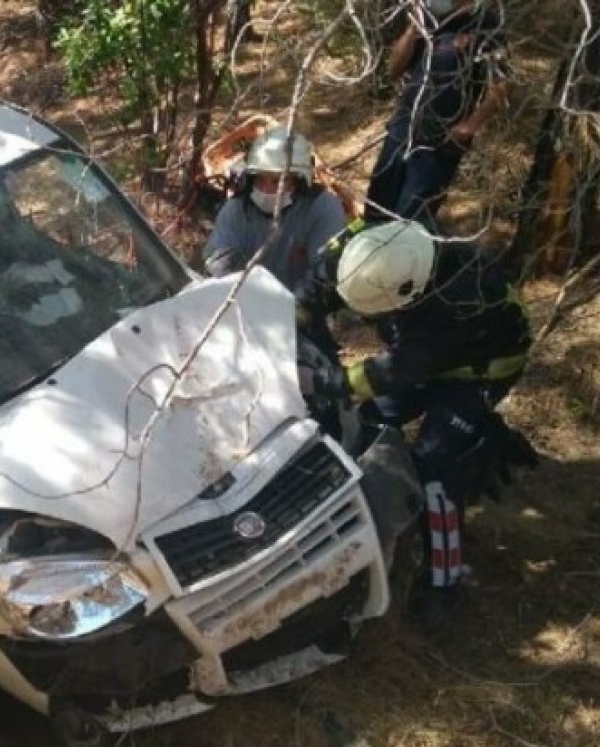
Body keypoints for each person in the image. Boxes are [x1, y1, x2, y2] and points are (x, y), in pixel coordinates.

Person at [300, 219, 535, 633]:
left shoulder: (464, 299)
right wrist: (294, 318)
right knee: (366, 427)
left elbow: (394, 371)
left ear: (407, 295)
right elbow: (317, 283)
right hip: (418, 354)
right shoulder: (369, 243)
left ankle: (443, 582)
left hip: (478, 370)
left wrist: (326, 384)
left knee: (432, 471)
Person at [365, 0, 512, 226]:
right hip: (401, 133)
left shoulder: (485, 24)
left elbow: (503, 84)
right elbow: (394, 71)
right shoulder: (428, 20)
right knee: (376, 209)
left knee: (409, 221)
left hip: (439, 145)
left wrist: (471, 124)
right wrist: (413, 29)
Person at [203, 127, 347, 293]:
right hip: (244, 304)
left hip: (299, 308)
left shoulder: (322, 208)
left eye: (278, 181)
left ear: (298, 181)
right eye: (260, 179)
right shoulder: (237, 210)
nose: (267, 189)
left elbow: (325, 274)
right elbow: (217, 263)